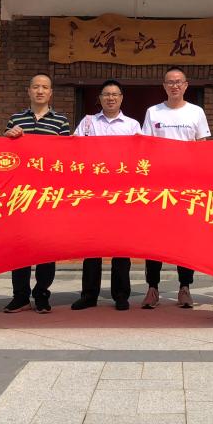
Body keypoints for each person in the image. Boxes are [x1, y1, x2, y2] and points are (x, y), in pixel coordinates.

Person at [141, 65, 211, 309]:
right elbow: (146, 147)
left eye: (178, 81)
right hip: (159, 186)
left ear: (186, 85)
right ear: (164, 86)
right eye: (170, 82)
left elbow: (203, 148)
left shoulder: (196, 112)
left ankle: (185, 287)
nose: (174, 86)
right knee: (154, 239)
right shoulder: (153, 112)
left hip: (187, 187)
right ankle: (152, 288)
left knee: (185, 238)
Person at [2, 73, 72, 314]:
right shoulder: (15, 119)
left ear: (51, 92)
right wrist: (8, 137)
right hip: (20, 193)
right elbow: (5, 156)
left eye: (44, 87)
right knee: (19, 246)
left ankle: (42, 294)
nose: (40, 91)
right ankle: (20, 296)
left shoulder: (61, 121)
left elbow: (66, 158)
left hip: (48, 193)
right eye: (36, 87)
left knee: (45, 246)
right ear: (29, 91)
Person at [72, 79, 141, 311]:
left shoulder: (132, 125)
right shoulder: (88, 122)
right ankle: (89, 295)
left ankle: (121, 295)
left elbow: (140, 157)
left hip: (122, 193)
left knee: (121, 246)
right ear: (99, 98)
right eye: (106, 94)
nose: (111, 98)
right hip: (93, 192)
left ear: (121, 98)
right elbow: (74, 150)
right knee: (92, 246)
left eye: (115, 94)